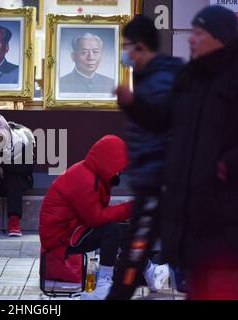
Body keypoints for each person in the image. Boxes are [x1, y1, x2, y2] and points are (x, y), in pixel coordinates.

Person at [116, 5, 238, 299]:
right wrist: (133, 104)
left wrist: (230, 162)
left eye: (199, 33)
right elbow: (163, 118)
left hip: (223, 210)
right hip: (187, 204)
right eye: (191, 32)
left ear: (220, 38)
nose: (191, 39)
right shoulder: (190, 78)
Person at [106, 16, 184, 300]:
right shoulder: (149, 75)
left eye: (127, 46)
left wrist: (132, 103)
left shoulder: (162, 77)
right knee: (137, 252)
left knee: (135, 253)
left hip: (159, 183)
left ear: (139, 46)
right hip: (152, 181)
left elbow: (161, 119)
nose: (125, 53)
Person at [39, 135, 133, 300]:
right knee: (112, 229)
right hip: (62, 237)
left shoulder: (92, 174)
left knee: (123, 228)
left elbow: (96, 214)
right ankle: (104, 283)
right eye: (118, 167)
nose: (120, 171)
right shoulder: (86, 180)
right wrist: (128, 208)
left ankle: (145, 269)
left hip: (73, 228)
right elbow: (95, 218)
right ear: (109, 162)